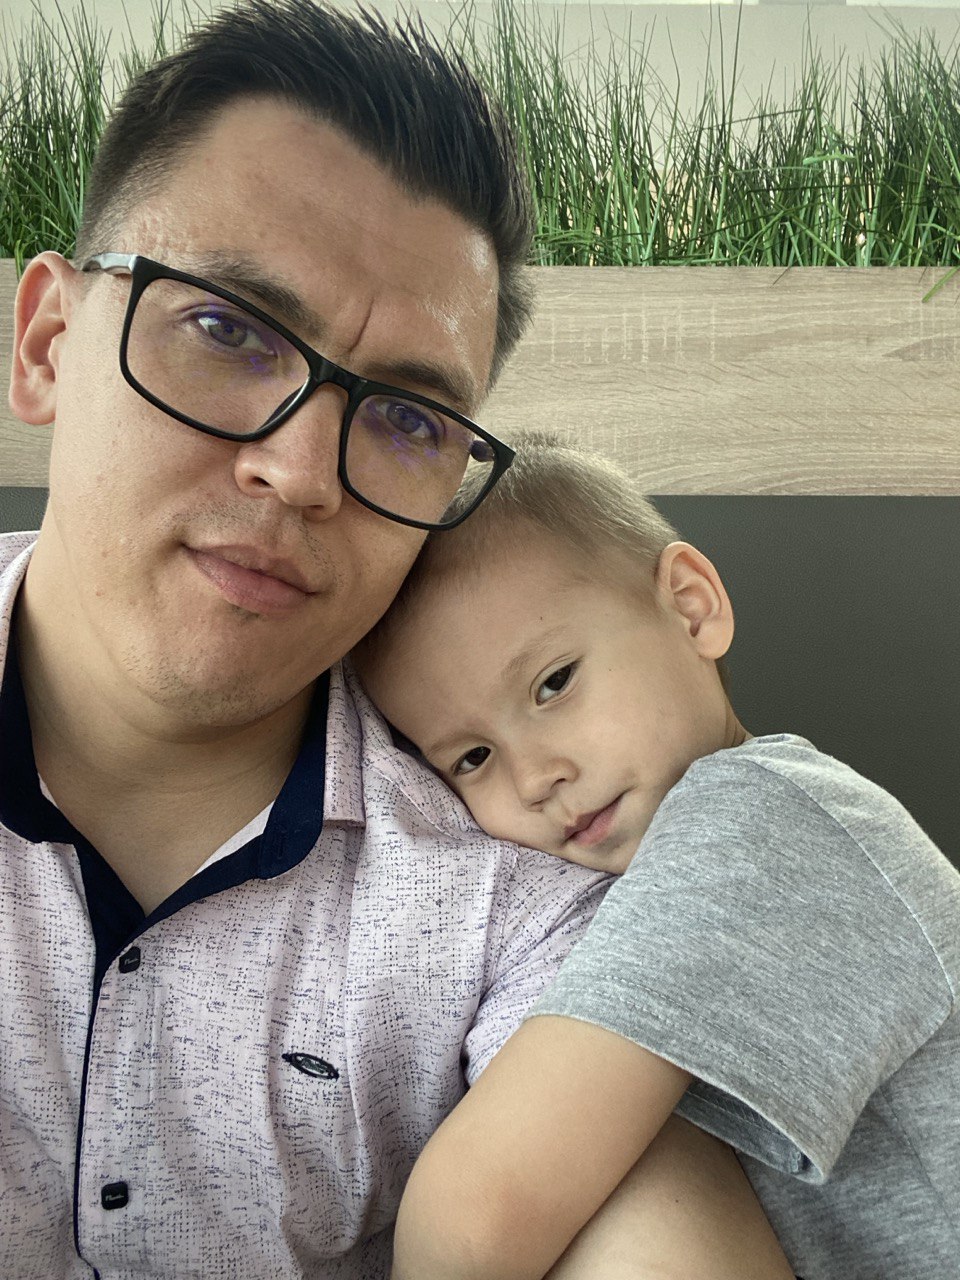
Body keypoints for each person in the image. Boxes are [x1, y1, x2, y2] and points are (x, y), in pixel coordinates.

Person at [0, 2, 799, 1277]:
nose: (302, 470)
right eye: (227, 330)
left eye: (409, 420)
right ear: (48, 343)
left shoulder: (529, 855)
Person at [354, 432, 960, 1280]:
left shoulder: (758, 818)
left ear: (691, 606)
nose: (535, 776)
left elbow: (479, 1212)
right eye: (472, 757)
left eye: (554, 683)